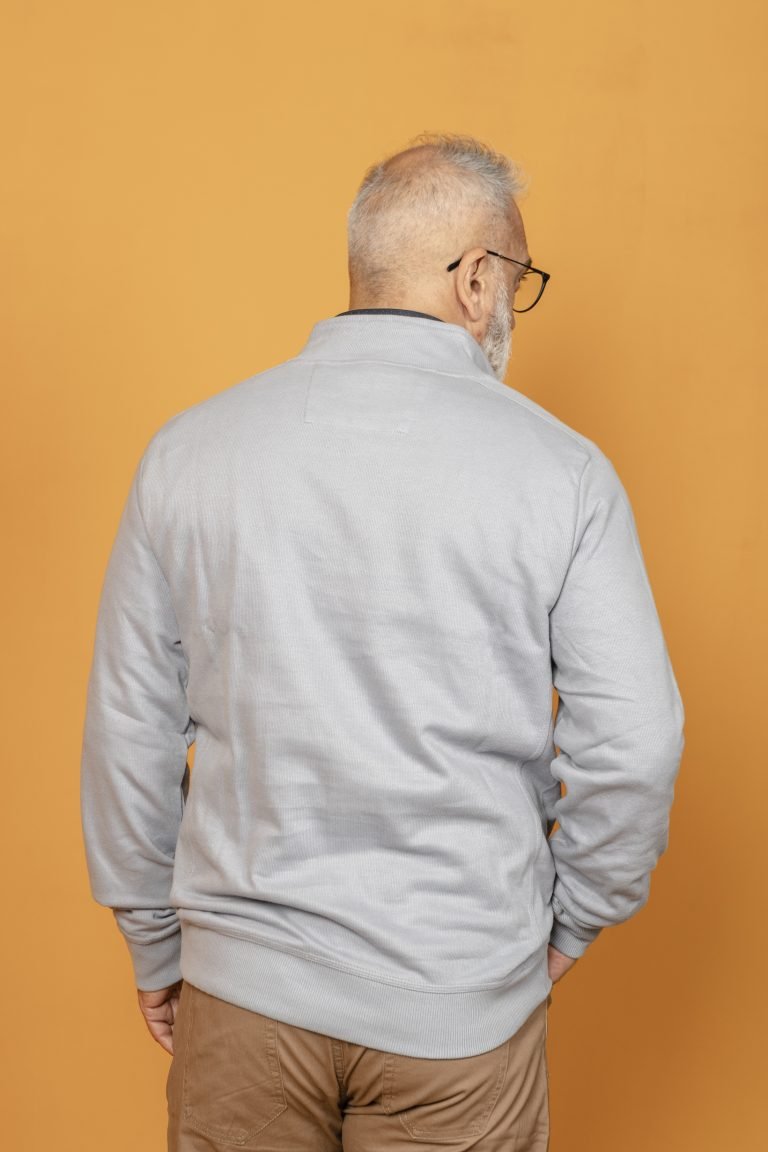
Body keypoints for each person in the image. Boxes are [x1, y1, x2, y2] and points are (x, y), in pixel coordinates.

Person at [80, 133, 685, 1151]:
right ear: (475, 279)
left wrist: (153, 937)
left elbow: (129, 729)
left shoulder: (190, 452)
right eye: (517, 280)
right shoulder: (563, 472)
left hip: (243, 992)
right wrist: (574, 919)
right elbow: (636, 745)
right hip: (461, 1005)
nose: (510, 305)